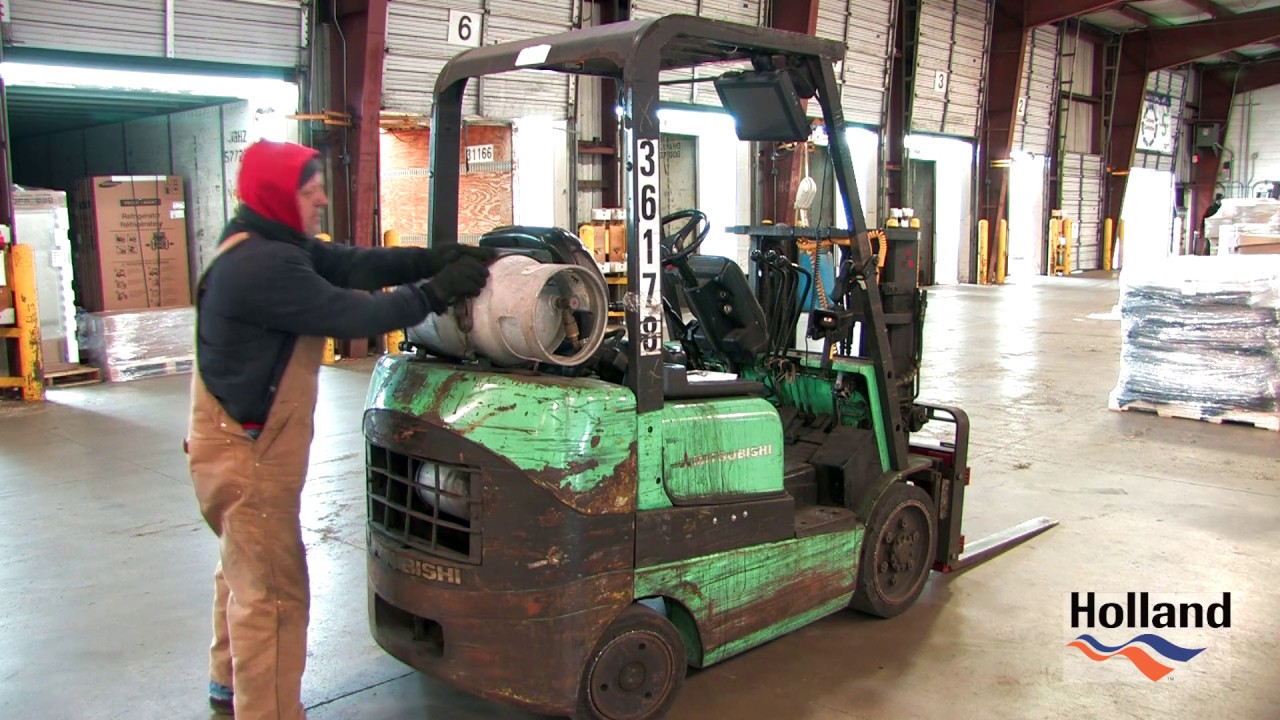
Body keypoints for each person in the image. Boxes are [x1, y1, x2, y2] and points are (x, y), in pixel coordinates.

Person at [186, 139, 493, 719]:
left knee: (244, 573)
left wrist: (430, 258)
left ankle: (228, 691)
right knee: (274, 596)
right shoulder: (265, 267)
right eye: (309, 189)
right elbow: (356, 313)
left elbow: (351, 264)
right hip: (247, 457)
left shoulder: (264, 240)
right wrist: (435, 292)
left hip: (229, 446)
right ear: (280, 196)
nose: (321, 197)